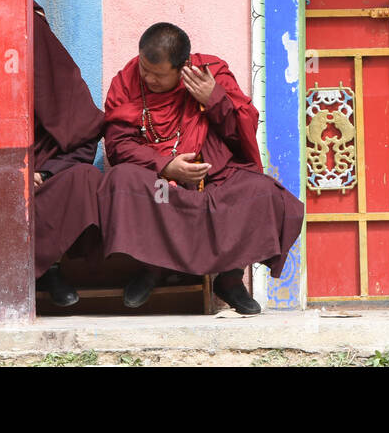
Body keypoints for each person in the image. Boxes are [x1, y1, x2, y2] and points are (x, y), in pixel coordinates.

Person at [99, 22, 304, 315]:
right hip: (159, 182)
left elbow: (240, 132)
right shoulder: (126, 81)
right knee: (121, 180)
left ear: (182, 67)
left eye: (158, 75)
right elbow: (118, 144)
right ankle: (152, 270)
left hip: (213, 177)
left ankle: (231, 279)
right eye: (145, 69)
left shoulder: (212, 73)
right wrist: (166, 166)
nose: (148, 78)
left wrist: (214, 99)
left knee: (264, 193)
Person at [31, 3, 106, 307]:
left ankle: (50, 267)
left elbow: (85, 136)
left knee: (85, 178)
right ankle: (46, 271)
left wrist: (46, 172)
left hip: (45, 178)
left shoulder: (57, 75)